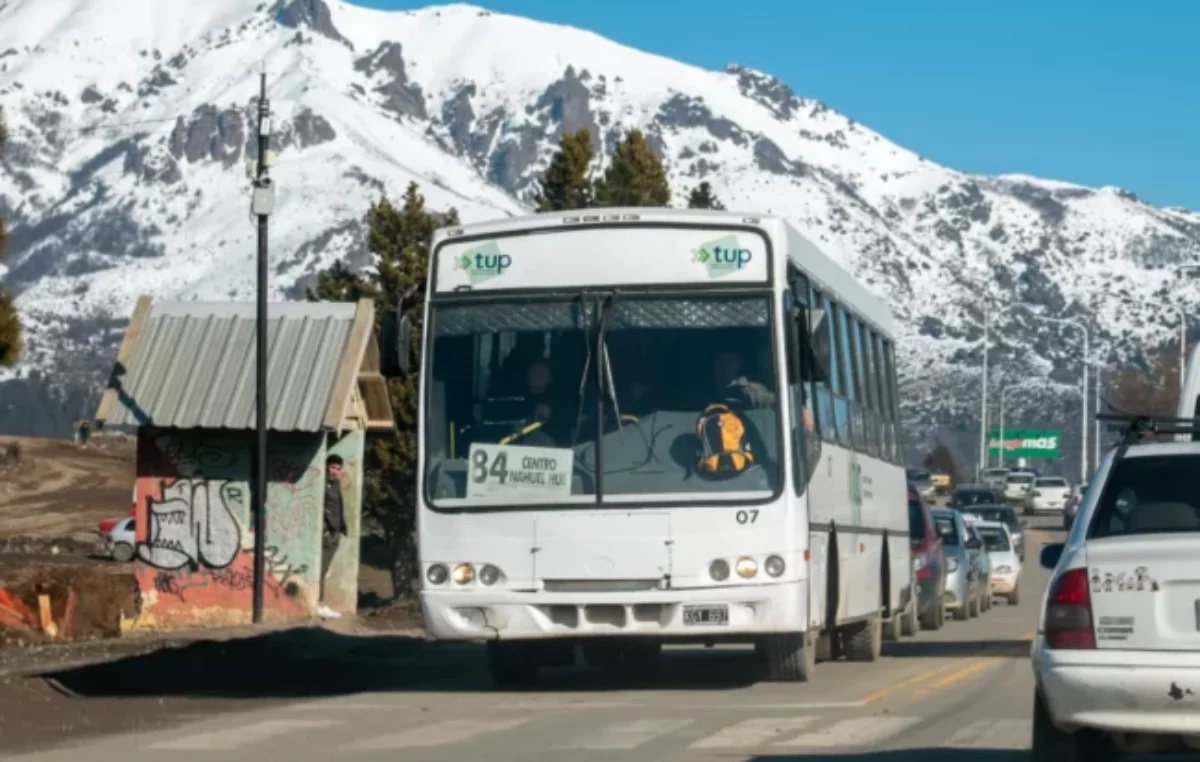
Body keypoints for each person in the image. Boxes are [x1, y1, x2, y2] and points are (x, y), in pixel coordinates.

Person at [319, 454, 347, 620]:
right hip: (327, 533)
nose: (335, 471)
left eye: (337, 468)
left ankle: (321, 603)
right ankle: (319, 604)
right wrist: (325, 530)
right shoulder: (323, 485)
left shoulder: (336, 485)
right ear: (326, 467)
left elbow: (338, 508)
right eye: (332, 467)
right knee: (321, 569)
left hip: (336, 532)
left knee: (326, 569)